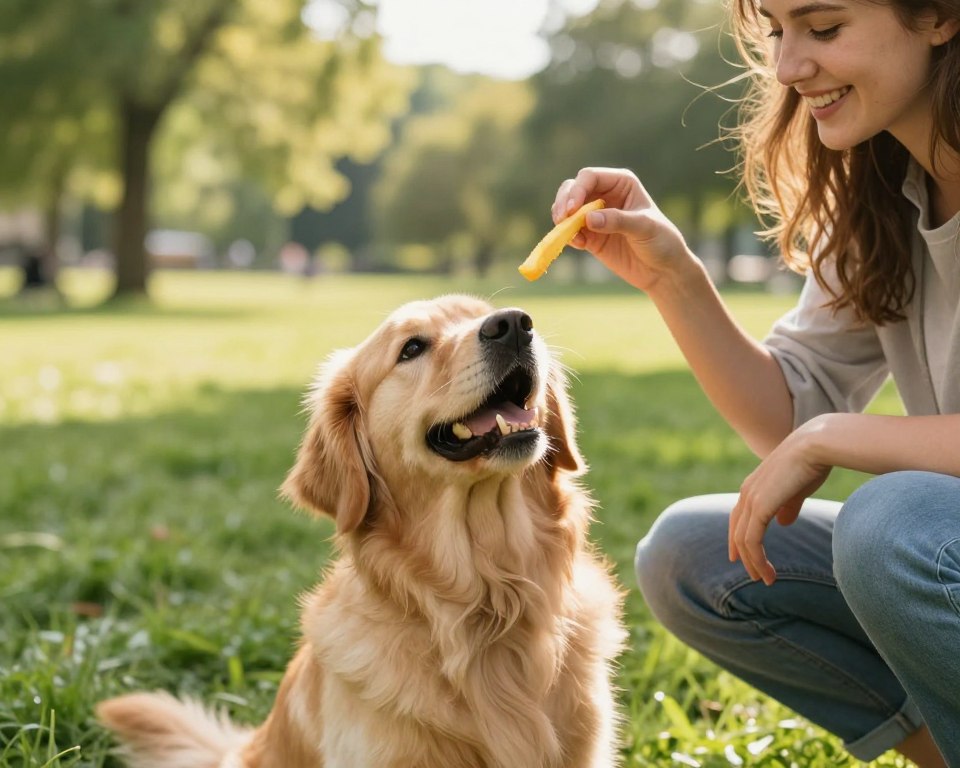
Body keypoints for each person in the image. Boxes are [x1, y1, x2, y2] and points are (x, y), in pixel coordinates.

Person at [551, 0, 960, 764]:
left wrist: (835, 437)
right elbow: (792, 410)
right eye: (778, 31)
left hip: (927, 532)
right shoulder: (882, 191)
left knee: (892, 525)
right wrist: (673, 276)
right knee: (697, 556)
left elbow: (818, 431)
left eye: (825, 28)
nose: (788, 66)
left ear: (938, 15)